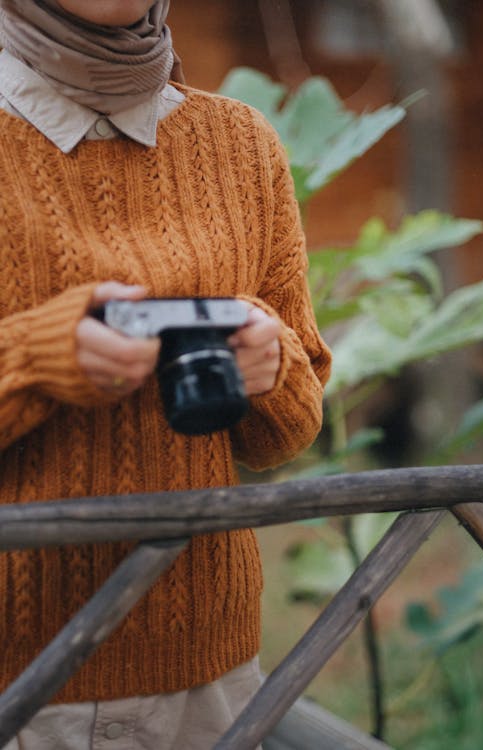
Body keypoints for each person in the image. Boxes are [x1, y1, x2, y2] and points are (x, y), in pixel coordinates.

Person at [0, 1, 331, 747]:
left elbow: (289, 433)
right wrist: (38, 356)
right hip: (15, 685)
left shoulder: (241, 145)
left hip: (209, 676)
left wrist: (267, 363)